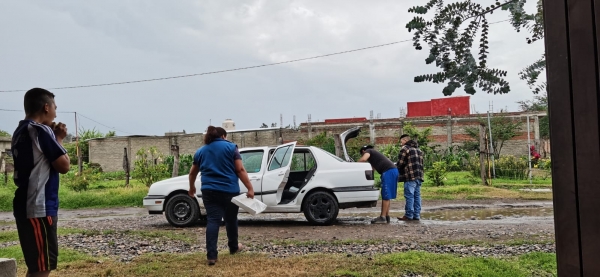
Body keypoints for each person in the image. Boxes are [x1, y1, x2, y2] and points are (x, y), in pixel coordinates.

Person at [12, 88, 70, 277]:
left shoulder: (20, 130)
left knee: (37, 265)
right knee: (42, 268)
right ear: (46, 107)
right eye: (54, 107)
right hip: (39, 205)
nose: (55, 113)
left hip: (25, 203)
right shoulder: (41, 130)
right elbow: (64, 166)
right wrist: (59, 138)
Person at [188, 126, 255, 266]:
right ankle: (234, 247)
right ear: (224, 136)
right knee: (231, 219)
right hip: (229, 190)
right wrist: (250, 188)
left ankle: (212, 256)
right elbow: (240, 169)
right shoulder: (231, 148)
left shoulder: (200, 151)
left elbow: (192, 173)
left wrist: (192, 187)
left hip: (209, 191)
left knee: (213, 220)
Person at [357, 145, 399, 224]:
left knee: (386, 194)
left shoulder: (368, 151)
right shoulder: (374, 156)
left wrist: (354, 165)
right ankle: (386, 215)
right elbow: (372, 170)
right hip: (393, 170)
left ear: (363, 151)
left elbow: (363, 159)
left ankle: (382, 217)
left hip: (389, 171)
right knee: (387, 194)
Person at [396, 134, 424, 221]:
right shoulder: (418, 150)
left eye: (401, 142)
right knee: (417, 196)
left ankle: (408, 215)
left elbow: (400, 163)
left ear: (405, 140)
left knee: (409, 196)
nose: (401, 144)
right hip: (419, 176)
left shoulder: (405, 149)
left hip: (410, 176)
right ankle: (416, 215)